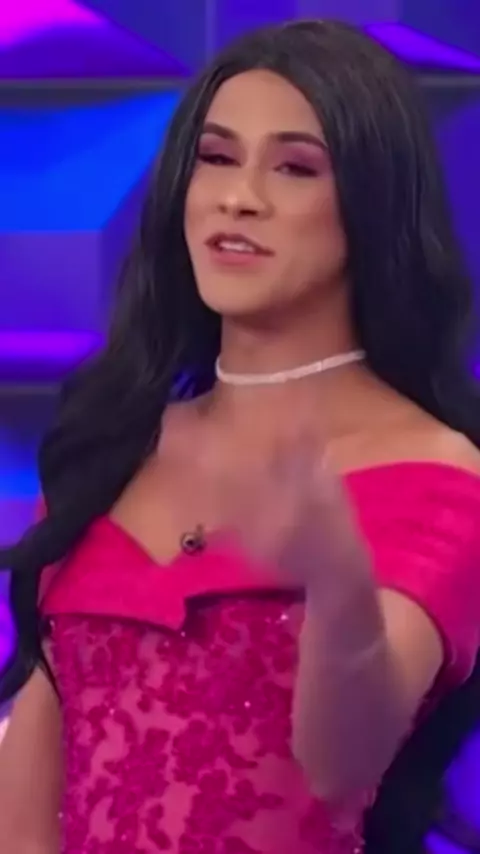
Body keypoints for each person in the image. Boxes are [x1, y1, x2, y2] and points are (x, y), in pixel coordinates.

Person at [0, 18, 480, 854]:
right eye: (216, 158)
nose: (238, 197)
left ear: (370, 207)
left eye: (294, 168)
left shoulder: (436, 474)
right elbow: (25, 813)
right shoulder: (110, 449)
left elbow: (343, 764)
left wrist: (334, 575)